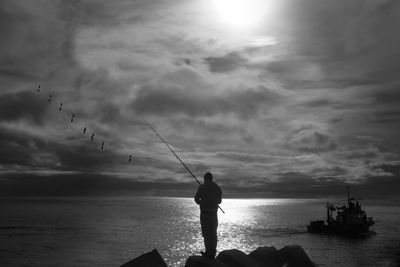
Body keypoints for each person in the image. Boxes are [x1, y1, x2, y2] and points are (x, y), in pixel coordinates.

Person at [194, 172, 222, 258]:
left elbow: (196, 199)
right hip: (214, 214)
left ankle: (208, 252)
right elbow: (219, 201)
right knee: (213, 233)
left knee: (206, 233)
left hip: (205, 213)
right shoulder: (217, 188)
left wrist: (202, 203)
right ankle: (212, 252)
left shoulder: (202, 187)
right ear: (212, 178)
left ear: (205, 178)